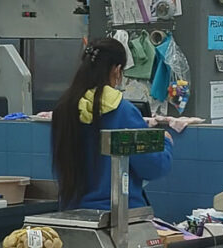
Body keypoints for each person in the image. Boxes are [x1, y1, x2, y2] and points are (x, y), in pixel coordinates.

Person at [51, 37, 173, 211]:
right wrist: (165, 143)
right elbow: (152, 167)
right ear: (117, 70)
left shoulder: (63, 109)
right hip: (120, 218)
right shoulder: (122, 111)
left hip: (72, 213)